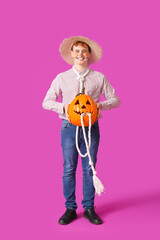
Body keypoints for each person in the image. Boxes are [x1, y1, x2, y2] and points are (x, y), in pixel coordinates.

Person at [42, 36, 120, 225]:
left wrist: (100, 105)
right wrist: (65, 108)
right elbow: (46, 102)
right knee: (68, 168)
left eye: (84, 51)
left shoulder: (99, 77)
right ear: (72, 54)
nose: (80, 54)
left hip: (91, 127)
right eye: (77, 51)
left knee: (89, 168)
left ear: (89, 55)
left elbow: (116, 100)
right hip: (69, 127)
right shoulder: (61, 78)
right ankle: (70, 208)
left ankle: (89, 208)